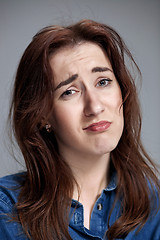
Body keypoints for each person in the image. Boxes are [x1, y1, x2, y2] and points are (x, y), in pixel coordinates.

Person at [0, 19, 159, 240]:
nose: (95, 106)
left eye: (103, 81)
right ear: (42, 116)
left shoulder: (155, 206)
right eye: (69, 91)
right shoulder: (6, 210)